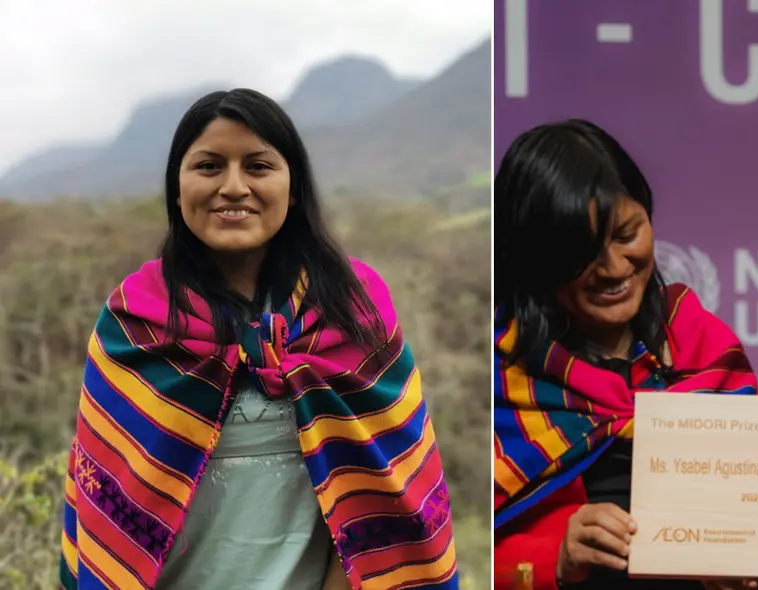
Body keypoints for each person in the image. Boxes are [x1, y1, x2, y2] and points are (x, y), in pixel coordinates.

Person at [57, 89, 458, 590]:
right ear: (176, 189)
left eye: (258, 166)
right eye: (207, 166)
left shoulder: (355, 311)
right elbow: (107, 508)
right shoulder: (134, 321)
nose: (233, 186)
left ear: (293, 189)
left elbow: (390, 500)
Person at [493, 119, 758, 590]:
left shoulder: (701, 342)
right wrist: (554, 557)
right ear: (531, 256)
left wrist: (739, 573)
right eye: (582, 253)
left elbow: (755, 523)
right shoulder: (499, 378)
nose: (613, 268)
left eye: (627, 234)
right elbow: (455, 544)